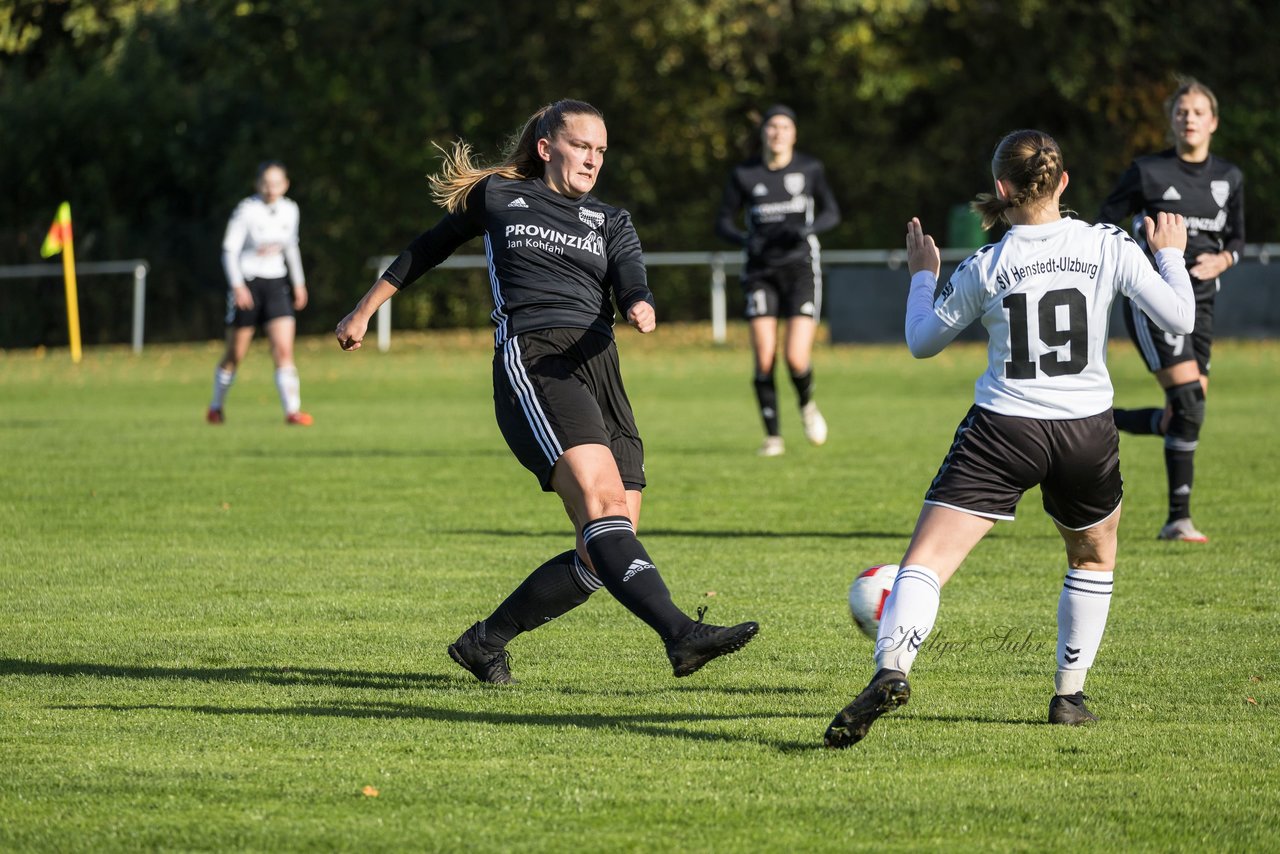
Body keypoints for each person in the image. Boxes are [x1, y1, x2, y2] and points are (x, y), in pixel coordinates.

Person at [334, 99, 758, 684]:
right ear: (546, 147)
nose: (594, 159)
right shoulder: (499, 198)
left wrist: (639, 301)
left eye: (602, 150)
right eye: (583, 146)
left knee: (604, 548)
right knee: (604, 509)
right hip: (536, 360)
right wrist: (363, 310)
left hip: (599, 366)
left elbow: (630, 272)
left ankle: (485, 642)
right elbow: (426, 248)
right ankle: (682, 636)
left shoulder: (610, 220)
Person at [823, 130, 1195, 749]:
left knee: (925, 566)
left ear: (1000, 189)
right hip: (1087, 431)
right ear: (1064, 183)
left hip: (1005, 428)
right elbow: (1178, 318)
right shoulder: (1107, 246)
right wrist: (1172, 254)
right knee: (1092, 559)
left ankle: (892, 670)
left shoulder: (987, 264)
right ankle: (1069, 697)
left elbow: (922, 341)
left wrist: (922, 275)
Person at [1098, 78, 1245, 543]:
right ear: (1172, 121)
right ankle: (1178, 520)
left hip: (1204, 303)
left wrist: (1223, 258)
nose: (1190, 118)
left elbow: (1237, 239)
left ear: (1213, 121)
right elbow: (1105, 221)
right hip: (1155, 300)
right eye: (1182, 112)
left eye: (1198, 111)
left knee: (1181, 416)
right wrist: (1137, 260)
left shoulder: (1231, 178)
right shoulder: (1148, 171)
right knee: (1189, 404)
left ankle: (1100, 418)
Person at [715, 105, 841, 456]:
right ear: (763, 133)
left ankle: (807, 405)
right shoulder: (745, 173)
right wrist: (743, 239)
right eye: (772, 127)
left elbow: (832, 212)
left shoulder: (809, 169)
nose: (777, 133)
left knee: (796, 358)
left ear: (794, 134)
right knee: (765, 357)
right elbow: (723, 221)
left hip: (800, 268)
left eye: (784, 127)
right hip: (759, 272)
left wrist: (807, 229)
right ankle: (773, 437)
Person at [207, 160, 312, 426]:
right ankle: (216, 407)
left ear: (285, 185)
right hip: (249, 284)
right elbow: (229, 251)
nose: (271, 188)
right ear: (257, 184)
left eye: (276, 183)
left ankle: (293, 411)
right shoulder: (246, 210)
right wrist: (237, 286)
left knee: (284, 350)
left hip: (277, 284)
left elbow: (291, 247)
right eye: (266, 183)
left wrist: (299, 283)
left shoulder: (290, 209)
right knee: (235, 354)